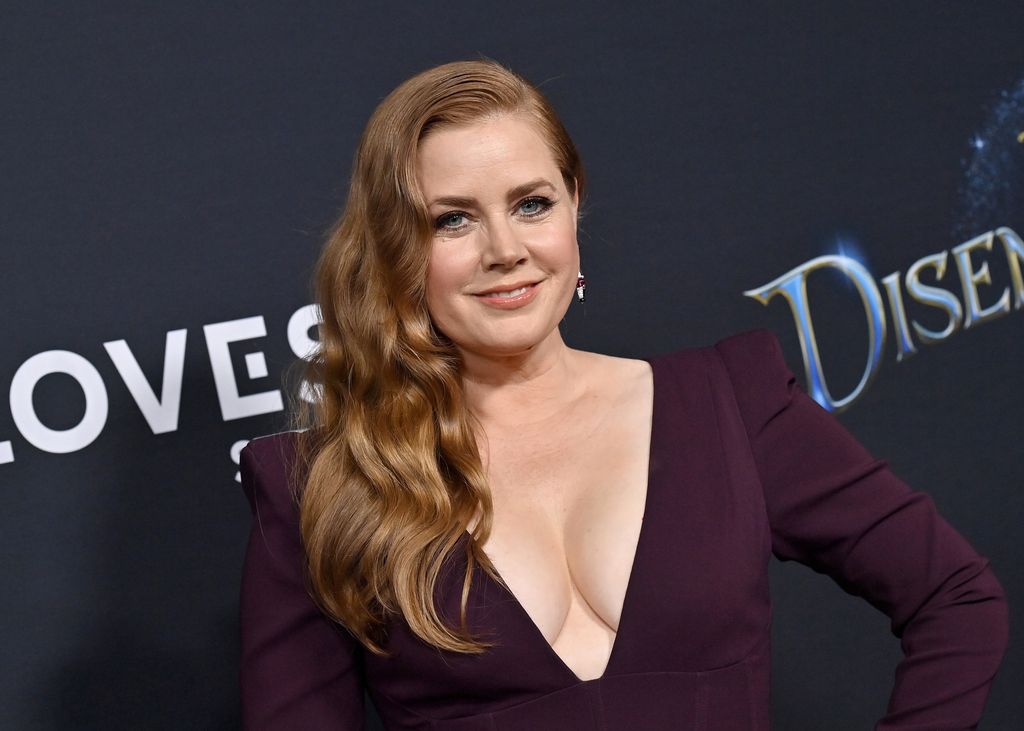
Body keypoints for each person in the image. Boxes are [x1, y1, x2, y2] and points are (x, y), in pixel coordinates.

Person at [238, 60, 1008, 730]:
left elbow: (957, 597)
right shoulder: (321, 486)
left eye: (531, 203)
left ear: (575, 204)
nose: (505, 250)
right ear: (397, 246)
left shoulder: (727, 405)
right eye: (453, 220)